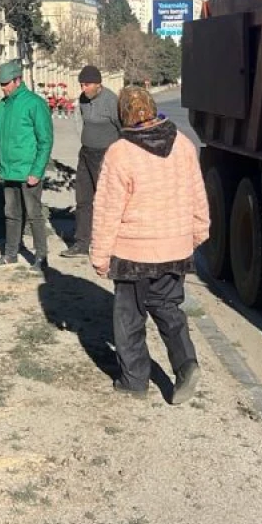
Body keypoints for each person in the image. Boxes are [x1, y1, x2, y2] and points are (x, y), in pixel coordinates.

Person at [90, 86, 209, 405]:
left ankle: (134, 381)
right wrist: (197, 233)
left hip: (134, 253)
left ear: (122, 116)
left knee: (129, 319)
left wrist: (100, 255)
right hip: (175, 248)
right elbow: (198, 193)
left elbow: (107, 209)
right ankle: (186, 365)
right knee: (168, 307)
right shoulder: (183, 144)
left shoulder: (120, 152)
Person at [0, 60, 53, 273]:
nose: (3, 87)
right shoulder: (2, 105)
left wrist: (37, 171)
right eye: (1, 84)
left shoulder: (34, 103)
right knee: (11, 214)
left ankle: (41, 257)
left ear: (18, 80)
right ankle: (10, 254)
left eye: (6, 83)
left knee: (34, 214)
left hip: (28, 172)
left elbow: (45, 140)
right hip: (8, 170)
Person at [60, 65, 120, 258]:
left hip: (105, 155)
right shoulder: (83, 100)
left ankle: (109, 243)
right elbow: (81, 122)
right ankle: (82, 242)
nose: (83, 88)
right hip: (86, 153)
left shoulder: (111, 101)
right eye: (82, 85)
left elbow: (122, 129)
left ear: (98, 84)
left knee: (105, 201)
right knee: (83, 199)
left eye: (87, 85)